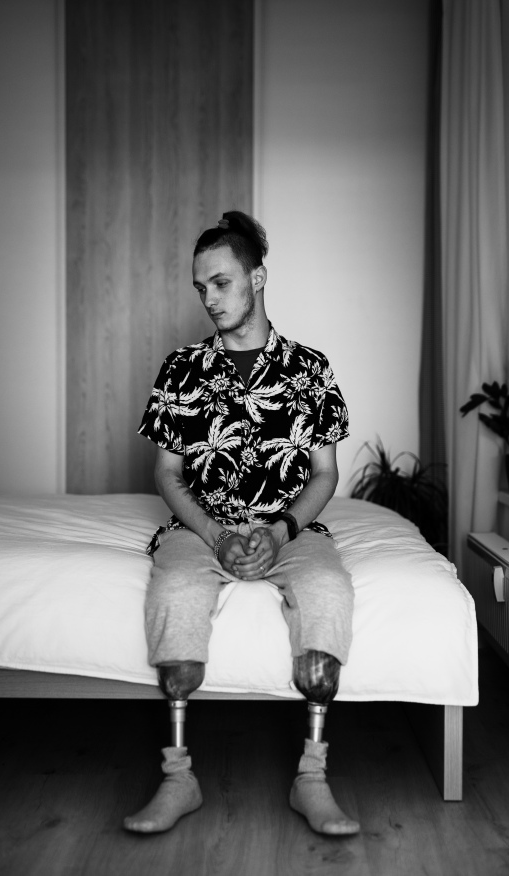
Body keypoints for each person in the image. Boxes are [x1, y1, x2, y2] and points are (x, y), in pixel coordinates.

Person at [124, 211, 358, 836]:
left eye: (220, 283)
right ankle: (179, 778)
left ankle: (312, 777)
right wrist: (216, 535)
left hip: (288, 530)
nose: (209, 299)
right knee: (173, 593)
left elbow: (325, 475)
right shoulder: (181, 368)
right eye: (200, 288)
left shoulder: (311, 368)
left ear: (257, 277)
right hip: (200, 530)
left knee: (329, 593)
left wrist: (279, 532)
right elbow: (167, 475)